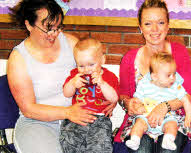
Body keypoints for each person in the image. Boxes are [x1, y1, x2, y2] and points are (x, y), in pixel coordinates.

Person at [7, 0, 113, 152]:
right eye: (48, 29)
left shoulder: (70, 43)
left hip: (77, 120)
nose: (54, 34)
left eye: (57, 28)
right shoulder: (18, 59)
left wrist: (110, 100)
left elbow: (95, 75)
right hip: (37, 123)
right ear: (29, 25)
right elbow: (28, 109)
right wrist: (67, 112)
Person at [113, 0, 191, 152]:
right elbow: (122, 95)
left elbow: (188, 95)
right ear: (140, 28)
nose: (155, 29)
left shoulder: (180, 52)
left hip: (173, 120)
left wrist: (165, 106)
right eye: (148, 24)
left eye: (161, 22)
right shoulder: (129, 59)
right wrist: (128, 103)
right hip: (141, 120)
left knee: (168, 150)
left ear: (168, 25)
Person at [59, 38, 119, 152]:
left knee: (100, 145)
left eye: (91, 64)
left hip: (100, 118)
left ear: (102, 59)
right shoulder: (75, 75)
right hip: (77, 116)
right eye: (81, 66)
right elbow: (66, 94)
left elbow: (114, 98)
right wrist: (72, 83)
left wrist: (102, 83)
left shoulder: (109, 77)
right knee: (69, 141)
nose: (86, 69)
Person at [125, 53, 191, 151]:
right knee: (138, 124)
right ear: (155, 76)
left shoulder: (176, 87)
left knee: (172, 125)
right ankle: (135, 140)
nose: (173, 78)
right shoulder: (144, 85)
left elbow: (186, 100)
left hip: (167, 116)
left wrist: (189, 116)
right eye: (169, 75)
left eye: (174, 74)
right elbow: (137, 99)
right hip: (146, 116)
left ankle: (168, 140)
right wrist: (138, 107)